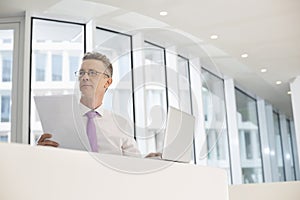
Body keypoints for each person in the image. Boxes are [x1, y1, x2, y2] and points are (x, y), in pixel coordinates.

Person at [37, 51, 146, 157]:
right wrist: (41, 152)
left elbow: (135, 165)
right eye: (81, 73)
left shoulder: (122, 124)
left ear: (107, 82)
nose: (85, 77)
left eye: (92, 73)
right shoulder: (60, 120)